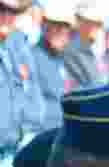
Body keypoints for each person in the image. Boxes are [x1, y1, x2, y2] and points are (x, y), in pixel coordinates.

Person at [1, 0, 45, 167]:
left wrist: (28, 125)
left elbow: (31, 95)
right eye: (1, 9)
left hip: (12, 154)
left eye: (12, 11)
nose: (6, 16)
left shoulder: (15, 47)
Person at [30, 2, 74, 131]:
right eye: (57, 26)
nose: (62, 32)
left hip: (62, 132)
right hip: (41, 133)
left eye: (66, 27)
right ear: (45, 25)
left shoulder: (64, 60)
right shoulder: (31, 57)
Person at [62, 0, 105, 89]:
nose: (97, 28)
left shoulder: (91, 50)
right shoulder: (71, 49)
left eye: (99, 24)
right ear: (79, 21)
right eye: (92, 22)